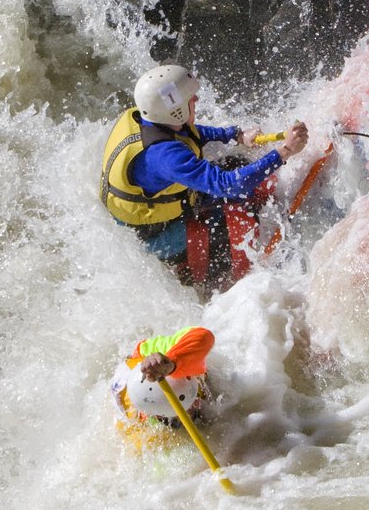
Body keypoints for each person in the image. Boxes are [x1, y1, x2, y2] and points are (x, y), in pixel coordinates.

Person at [99, 64, 309, 287]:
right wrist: (284, 152)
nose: (196, 99)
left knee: (234, 164)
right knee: (231, 217)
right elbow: (229, 185)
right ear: (176, 110)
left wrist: (236, 135)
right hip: (153, 236)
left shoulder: (152, 119)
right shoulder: (165, 157)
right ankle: (213, 281)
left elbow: (188, 131)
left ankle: (261, 204)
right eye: (190, 98)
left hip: (151, 208)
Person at [109, 325, 215, 431]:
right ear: (160, 417)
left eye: (193, 400)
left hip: (148, 357)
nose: (197, 403)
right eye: (189, 407)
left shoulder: (152, 349)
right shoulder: (140, 430)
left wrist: (172, 362)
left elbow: (205, 335)